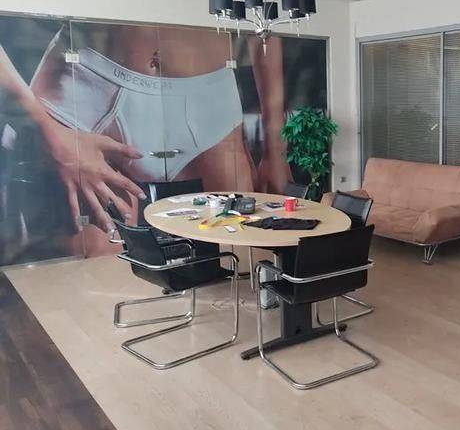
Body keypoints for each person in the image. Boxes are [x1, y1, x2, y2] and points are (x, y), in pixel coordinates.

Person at [0, 22, 291, 257]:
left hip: (209, 101)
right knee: (91, 280)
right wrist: (46, 130)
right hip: (85, 93)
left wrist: (276, 149)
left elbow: (265, 20)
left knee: (242, 256)